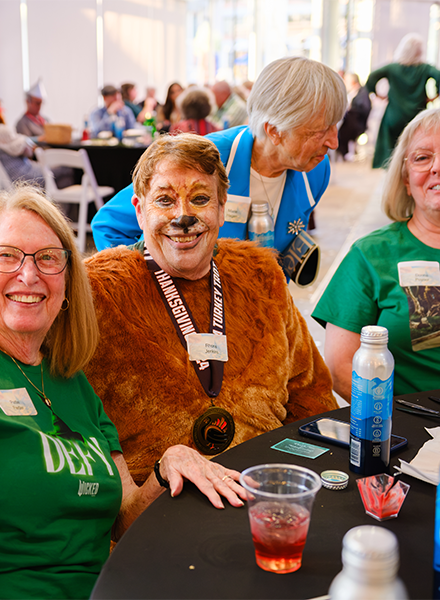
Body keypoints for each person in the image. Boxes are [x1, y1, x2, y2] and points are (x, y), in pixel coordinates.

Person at [0, 185, 246, 599]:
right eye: (6, 256)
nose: (29, 274)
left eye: (48, 258)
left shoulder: (72, 383)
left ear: (67, 285)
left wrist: (169, 464)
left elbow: (123, 517)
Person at [84, 134, 337, 485]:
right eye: (165, 200)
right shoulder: (98, 292)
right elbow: (73, 427)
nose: (183, 217)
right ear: (140, 211)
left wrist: (303, 478)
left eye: (200, 199)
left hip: (264, 485)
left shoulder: (261, 276)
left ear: (221, 209)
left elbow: (310, 391)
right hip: (159, 497)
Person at [91, 57, 347, 264]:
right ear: (274, 131)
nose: (334, 142)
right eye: (319, 131)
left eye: (335, 126)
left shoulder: (316, 170)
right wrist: (155, 289)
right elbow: (109, 225)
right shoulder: (204, 159)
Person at [312, 107, 440, 398]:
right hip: (407, 420)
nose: (438, 167)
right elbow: (341, 368)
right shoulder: (369, 255)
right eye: (422, 157)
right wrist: (393, 420)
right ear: (406, 181)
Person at [366, 33, 440, 169]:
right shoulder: (424, 68)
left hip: (394, 116)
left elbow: (372, 77)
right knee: (414, 149)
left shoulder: (393, 68)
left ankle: (392, 175)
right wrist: (435, 96)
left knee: (390, 154)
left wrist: (378, 95)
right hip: (416, 116)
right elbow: (439, 75)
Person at [0, 94, 44, 187]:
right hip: (20, 176)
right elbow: (25, 150)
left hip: (7, 178)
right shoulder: (0, 131)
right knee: (61, 171)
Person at [337, 73, 371, 161]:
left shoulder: (362, 93)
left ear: (353, 82)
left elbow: (364, 109)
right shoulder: (354, 93)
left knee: (341, 132)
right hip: (352, 122)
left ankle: (345, 153)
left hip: (356, 123)